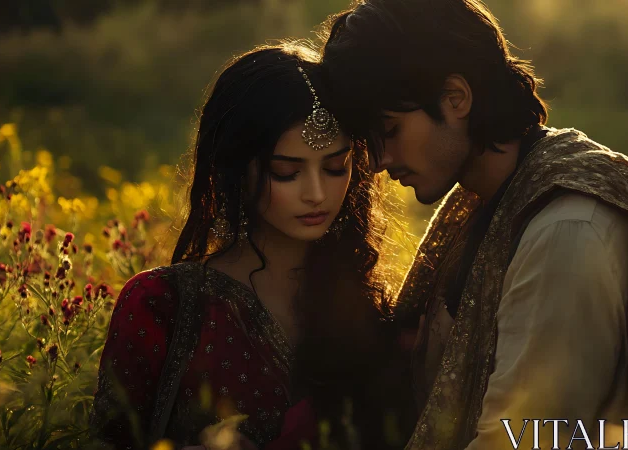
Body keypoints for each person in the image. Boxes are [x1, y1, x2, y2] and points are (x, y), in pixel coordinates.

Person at [319, 0, 628, 448]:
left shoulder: (568, 232)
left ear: (455, 99)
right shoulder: (492, 202)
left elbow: (519, 439)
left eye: (390, 131)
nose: (379, 162)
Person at [88, 42, 410, 450]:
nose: (317, 194)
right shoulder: (163, 305)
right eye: (285, 172)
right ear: (236, 169)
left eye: (335, 167)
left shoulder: (369, 305)